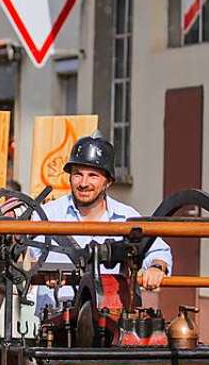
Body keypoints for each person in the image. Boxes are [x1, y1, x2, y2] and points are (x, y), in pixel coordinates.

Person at [34, 132, 172, 313]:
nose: (83, 183)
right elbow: (25, 252)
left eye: (93, 175)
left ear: (108, 182)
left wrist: (156, 267)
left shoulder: (127, 218)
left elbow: (158, 250)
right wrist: (43, 271)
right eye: (78, 174)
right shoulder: (47, 215)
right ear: (69, 177)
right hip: (56, 319)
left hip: (111, 319)